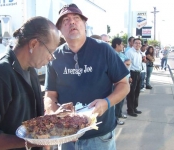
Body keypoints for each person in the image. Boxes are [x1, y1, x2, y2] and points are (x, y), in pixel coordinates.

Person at [44, 3, 130, 150]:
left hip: (99, 136)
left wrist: (106, 103)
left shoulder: (103, 49)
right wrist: (53, 114)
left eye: (76, 18)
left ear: (84, 24)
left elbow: (124, 85)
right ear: (60, 30)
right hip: (66, 137)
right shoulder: (55, 56)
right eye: (65, 21)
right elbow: (50, 95)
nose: (71, 22)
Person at [0, 16, 60, 150]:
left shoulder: (31, 70)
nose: (51, 58)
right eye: (51, 52)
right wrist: (31, 141)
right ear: (33, 44)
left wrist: (57, 117)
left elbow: (33, 118)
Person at [111, 37, 131, 125]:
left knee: (121, 100)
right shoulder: (111, 54)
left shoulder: (120, 54)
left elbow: (128, 61)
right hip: (115, 82)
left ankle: (118, 114)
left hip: (123, 80)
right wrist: (123, 65)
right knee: (115, 101)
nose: (123, 46)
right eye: (122, 44)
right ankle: (115, 119)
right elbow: (117, 68)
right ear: (117, 45)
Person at [125, 38, 143, 117]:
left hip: (138, 73)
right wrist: (129, 76)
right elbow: (127, 65)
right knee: (131, 93)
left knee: (137, 92)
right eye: (136, 43)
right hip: (132, 73)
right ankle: (130, 110)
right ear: (133, 43)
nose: (138, 45)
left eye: (139, 43)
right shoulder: (130, 52)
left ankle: (135, 108)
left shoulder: (139, 52)